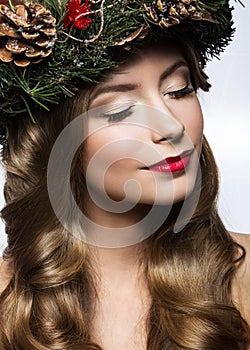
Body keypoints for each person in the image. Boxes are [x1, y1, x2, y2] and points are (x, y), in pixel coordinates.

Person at [0, 0, 250, 349]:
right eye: (120, 111)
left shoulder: (245, 278)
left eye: (179, 90)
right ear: (53, 140)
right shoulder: (6, 301)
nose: (171, 126)